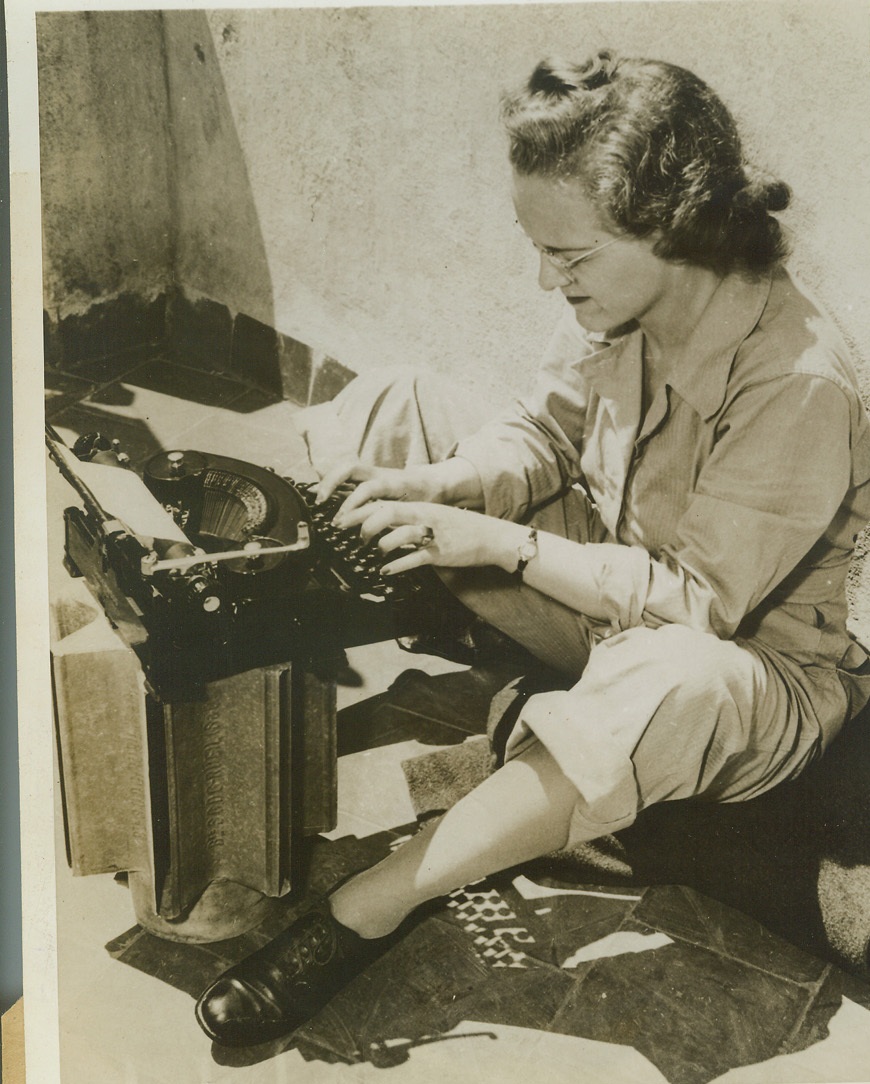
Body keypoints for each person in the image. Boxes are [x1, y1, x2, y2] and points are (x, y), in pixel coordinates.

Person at [195, 50, 870, 1047]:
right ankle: (270, 716)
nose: (546, 277)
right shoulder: (617, 301)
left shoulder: (799, 378)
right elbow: (544, 433)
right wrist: (441, 487)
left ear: (674, 229)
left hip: (743, 676)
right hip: (600, 597)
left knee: (663, 672)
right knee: (396, 403)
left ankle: (371, 905)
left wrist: (497, 547)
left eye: (571, 255)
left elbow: (696, 606)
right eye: (540, 249)